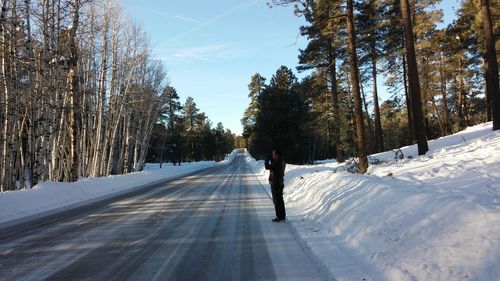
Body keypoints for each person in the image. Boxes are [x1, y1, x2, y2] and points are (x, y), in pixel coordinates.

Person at [265, 149, 286, 222]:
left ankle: (279, 217)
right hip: (279, 183)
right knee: (280, 200)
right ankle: (282, 216)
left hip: (276, 183)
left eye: (273, 154)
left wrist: (267, 159)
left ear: (277, 155)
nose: (272, 156)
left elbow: (267, 166)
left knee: (277, 201)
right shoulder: (280, 161)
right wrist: (271, 157)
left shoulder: (277, 163)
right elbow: (273, 163)